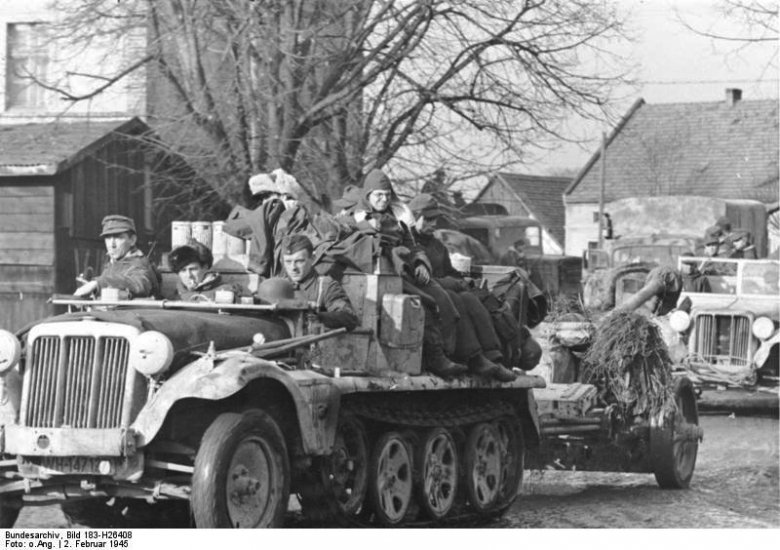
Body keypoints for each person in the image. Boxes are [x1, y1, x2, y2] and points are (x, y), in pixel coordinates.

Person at [345, 169, 468, 378]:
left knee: (443, 300)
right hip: (381, 277)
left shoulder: (396, 218)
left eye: (387, 195)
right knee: (423, 303)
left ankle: (448, 354)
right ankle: (436, 358)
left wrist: (420, 262)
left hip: (406, 272)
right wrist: (369, 229)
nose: (384, 200)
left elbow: (412, 244)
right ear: (368, 195)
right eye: (378, 195)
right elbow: (352, 244)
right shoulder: (355, 218)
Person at [408, 194, 516, 381]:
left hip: (444, 288)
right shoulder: (410, 244)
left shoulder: (437, 245)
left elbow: (450, 271)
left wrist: (465, 282)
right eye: (427, 219)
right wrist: (453, 283)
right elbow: (420, 279)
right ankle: (473, 357)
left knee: (470, 298)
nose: (432, 224)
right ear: (414, 217)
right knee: (456, 297)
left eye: (435, 219)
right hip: (427, 292)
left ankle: (492, 356)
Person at [279, 234, 358, 331]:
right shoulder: (278, 286)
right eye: (288, 262)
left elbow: (349, 318)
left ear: (312, 259)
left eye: (299, 261)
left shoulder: (325, 286)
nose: (293, 268)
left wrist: (319, 317)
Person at [74, 215, 159, 298]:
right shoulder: (115, 263)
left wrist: (97, 283)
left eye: (118, 237)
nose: (112, 245)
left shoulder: (140, 264)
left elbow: (139, 283)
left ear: (132, 240)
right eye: (108, 238)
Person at [168, 241, 247, 301]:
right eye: (183, 270)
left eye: (193, 269)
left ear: (205, 267)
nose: (189, 275)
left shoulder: (224, 291)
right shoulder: (177, 294)